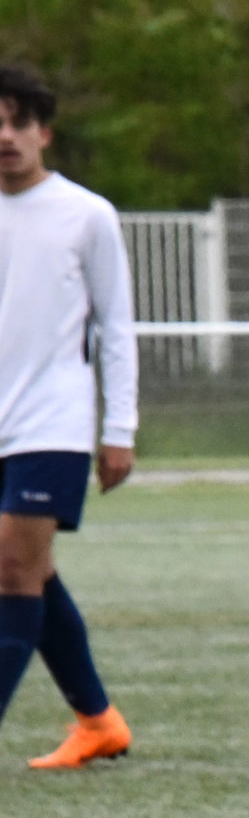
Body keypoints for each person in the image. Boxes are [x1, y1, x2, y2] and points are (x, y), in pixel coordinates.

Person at [0, 62, 136, 769]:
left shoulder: (86, 215)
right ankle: (98, 720)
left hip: (52, 424)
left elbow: (116, 327)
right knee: (34, 571)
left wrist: (119, 430)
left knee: (10, 570)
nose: (6, 137)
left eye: (18, 123)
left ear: (44, 133)